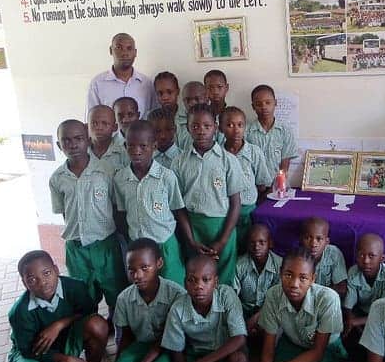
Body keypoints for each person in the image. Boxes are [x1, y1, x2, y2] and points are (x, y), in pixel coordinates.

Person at [8, 250, 108, 362]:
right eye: (32, 279)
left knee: (98, 325)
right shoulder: (20, 312)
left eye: (46, 273)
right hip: (36, 350)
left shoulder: (75, 286)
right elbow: (27, 349)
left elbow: (89, 311)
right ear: (24, 283)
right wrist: (66, 360)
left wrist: (60, 324)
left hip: (67, 336)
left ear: (56, 269)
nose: (42, 282)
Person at [257, 249, 346, 362]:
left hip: (324, 349)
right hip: (293, 342)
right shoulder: (273, 295)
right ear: (280, 273)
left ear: (313, 279)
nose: (294, 284)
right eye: (288, 275)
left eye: (303, 278)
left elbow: (318, 352)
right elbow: (268, 349)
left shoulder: (328, 298)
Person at [49, 119, 126, 318]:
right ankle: (92, 340)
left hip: (106, 246)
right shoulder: (57, 178)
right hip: (76, 249)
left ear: (88, 140)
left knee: (115, 293)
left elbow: (116, 207)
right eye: (66, 141)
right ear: (59, 146)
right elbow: (65, 212)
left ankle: (117, 333)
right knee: (82, 298)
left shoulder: (106, 171)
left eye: (78, 138)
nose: (73, 145)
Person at [161, 255, 249, 362]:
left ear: (216, 282)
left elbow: (239, 338)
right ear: (185, 282)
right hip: (197, 354)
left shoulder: (226, 295)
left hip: (224, 352)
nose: (198, 286)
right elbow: (177, 352)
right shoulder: (178, 309)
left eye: (206, 280)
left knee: (239, 361)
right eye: (192, 280)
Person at [99, 238, 185, 362]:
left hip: (168, 349)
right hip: (140, 346)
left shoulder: (176, 295)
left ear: (159, 263)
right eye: (131, 270)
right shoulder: (124, 299)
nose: (137, 275)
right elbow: (126, 337)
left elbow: (163, 343)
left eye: (145, 268)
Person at [171, 103, 245, 287]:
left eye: (207, 126)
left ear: (216, 127)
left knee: (224, 276)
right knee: (196, 278)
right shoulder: (179, 162)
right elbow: (178, 206)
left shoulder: (228, 161)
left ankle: (224, 311)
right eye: (195, 126)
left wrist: (222, 240)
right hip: (192, 228)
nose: (201, 131)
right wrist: (190, 240)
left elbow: (236, 204)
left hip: (222, 227)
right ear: (187, 128)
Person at [113, 120, 189, 285]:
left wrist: (188, 242)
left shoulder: (166, 177)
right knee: (144, 287)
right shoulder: (120, 179)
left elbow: (178, 211)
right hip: (137, 246)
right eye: (131, 146)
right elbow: (121, 213)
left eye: (143, 146)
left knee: (174, 285)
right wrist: (130, 239)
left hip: (165, 244)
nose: (136, 151)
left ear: (154, 146)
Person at [220, 106, 272, 253]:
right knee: (228, 249)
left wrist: (256, 203)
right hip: (224, 212)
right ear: (220, 128)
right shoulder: (217, 154)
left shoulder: (254, 152)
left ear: (245, 127)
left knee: (246, 249)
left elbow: (263, 184)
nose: (236, 129)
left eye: (240, 125)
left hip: (247, 211)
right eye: (229, 125)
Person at [232, 224, 282, 351]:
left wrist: (255, 319)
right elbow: (234, 297)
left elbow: (278, 298)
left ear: (270, 243)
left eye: (262, 242)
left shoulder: (279, 265)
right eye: (252, 242)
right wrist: (242, 321)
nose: (256, 247)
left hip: (270, 311)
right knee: (235, 336)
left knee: (272, 334)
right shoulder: (240, 265)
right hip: (244, 311)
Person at [87, 33, 155, 118]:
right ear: (111, 51)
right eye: (119, 48)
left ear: (135, 53)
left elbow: (153, 118)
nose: (124, 53)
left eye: (129, 48)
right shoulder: (97, 84)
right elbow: (91, 121)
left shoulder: (146, 83)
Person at [343, 234, 385, 340]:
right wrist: (351, 320)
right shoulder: (353, 272)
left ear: (382, 258)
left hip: (383, 314)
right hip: (360, 312)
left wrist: (356, 322)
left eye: (371, 256)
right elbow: (349, 305)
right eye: (361, 255)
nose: (366, 261)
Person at [246, 84, 299, 177]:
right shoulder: (246, 132)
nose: (263, 107)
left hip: (276, 185)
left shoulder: (285, 131)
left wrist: (278, 184)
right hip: (253, 186)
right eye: (258, 104)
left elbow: (285, 163)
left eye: (268, 102)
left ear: (275, 103)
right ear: (253, 106)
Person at [300, 217, 348, 297]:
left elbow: (342, 288)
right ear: (301, 240)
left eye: (319, 239)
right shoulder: (297, 256)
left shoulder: (333, 253)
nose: (313, 244)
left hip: (326, 298)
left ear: (327, 242)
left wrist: (316, 295)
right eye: (308, 238)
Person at [87, 105, 129, 174]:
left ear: (115, 127)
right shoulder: (80, 153)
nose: (99, 128)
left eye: (105, 123)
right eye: (94, 123)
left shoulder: (124, 152)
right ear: (87, 126)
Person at [179, 81, 208, 149]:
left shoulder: (215, 122)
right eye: (187, 100)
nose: (192, 103)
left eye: (197, 99)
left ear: (206, 98)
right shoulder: (177, 123)